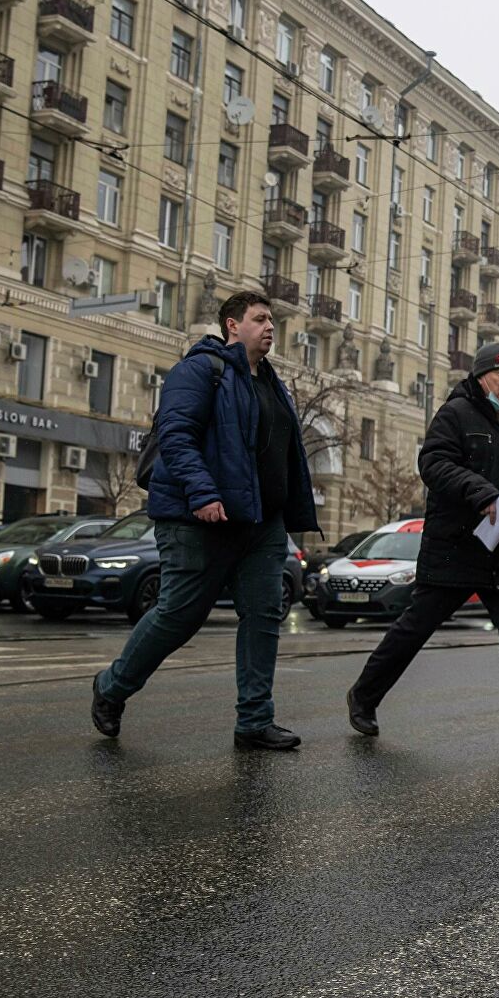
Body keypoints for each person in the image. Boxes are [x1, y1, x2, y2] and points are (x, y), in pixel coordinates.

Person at [91, 291, 318, 751]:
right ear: (233, 325)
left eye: (272, 319)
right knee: (179, 615)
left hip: (262, 524)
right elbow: (176, 436)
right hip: (201, 519)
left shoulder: (273, 383)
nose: (271, 326)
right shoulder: (199, 371)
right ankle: (112, 687)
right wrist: (203, 492)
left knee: (263, 616)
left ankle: (255, 721)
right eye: (260, 318)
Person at [343, 343, 499, 750]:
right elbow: (433, 463)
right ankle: (363, 696)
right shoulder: (455, 414)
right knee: (414, 629)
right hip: (456, 546)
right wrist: (480, 492)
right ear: (480, 376)